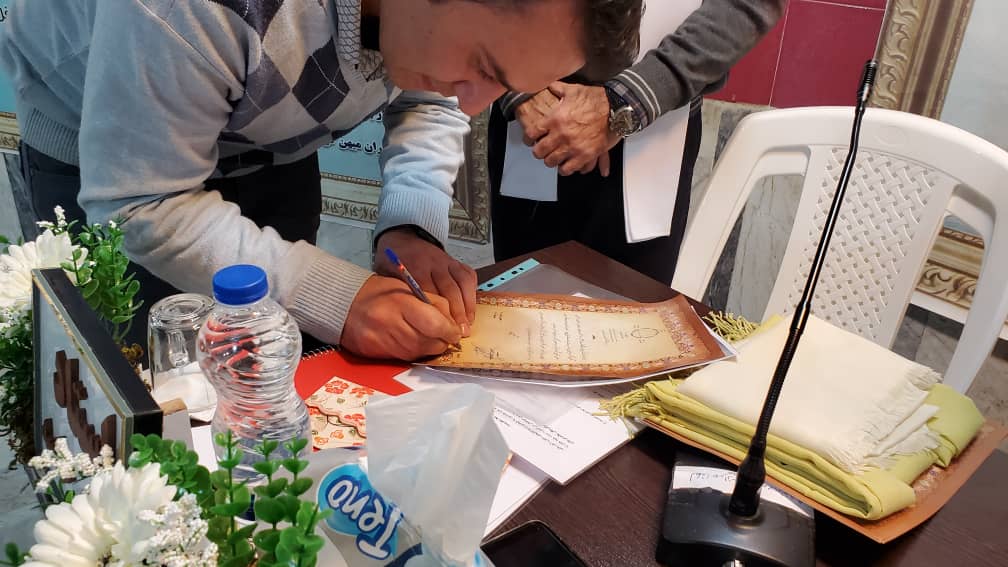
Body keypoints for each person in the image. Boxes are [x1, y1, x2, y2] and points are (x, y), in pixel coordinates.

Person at [0, 0, 642, 358]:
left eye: (505, 85)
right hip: (102, 160)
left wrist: (410, 226)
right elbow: (145, 203)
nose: (474, 103)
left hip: (268, 144)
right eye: (482, 64)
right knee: (145, 415)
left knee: (275, 376)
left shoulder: (432, 36)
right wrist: (337, 296)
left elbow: (431, 98)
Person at [488, 0, 786, 285]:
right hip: (534, 116)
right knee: (515, 304)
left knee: (635, 311)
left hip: (655, 125)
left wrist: (627, 101)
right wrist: (512, 80)